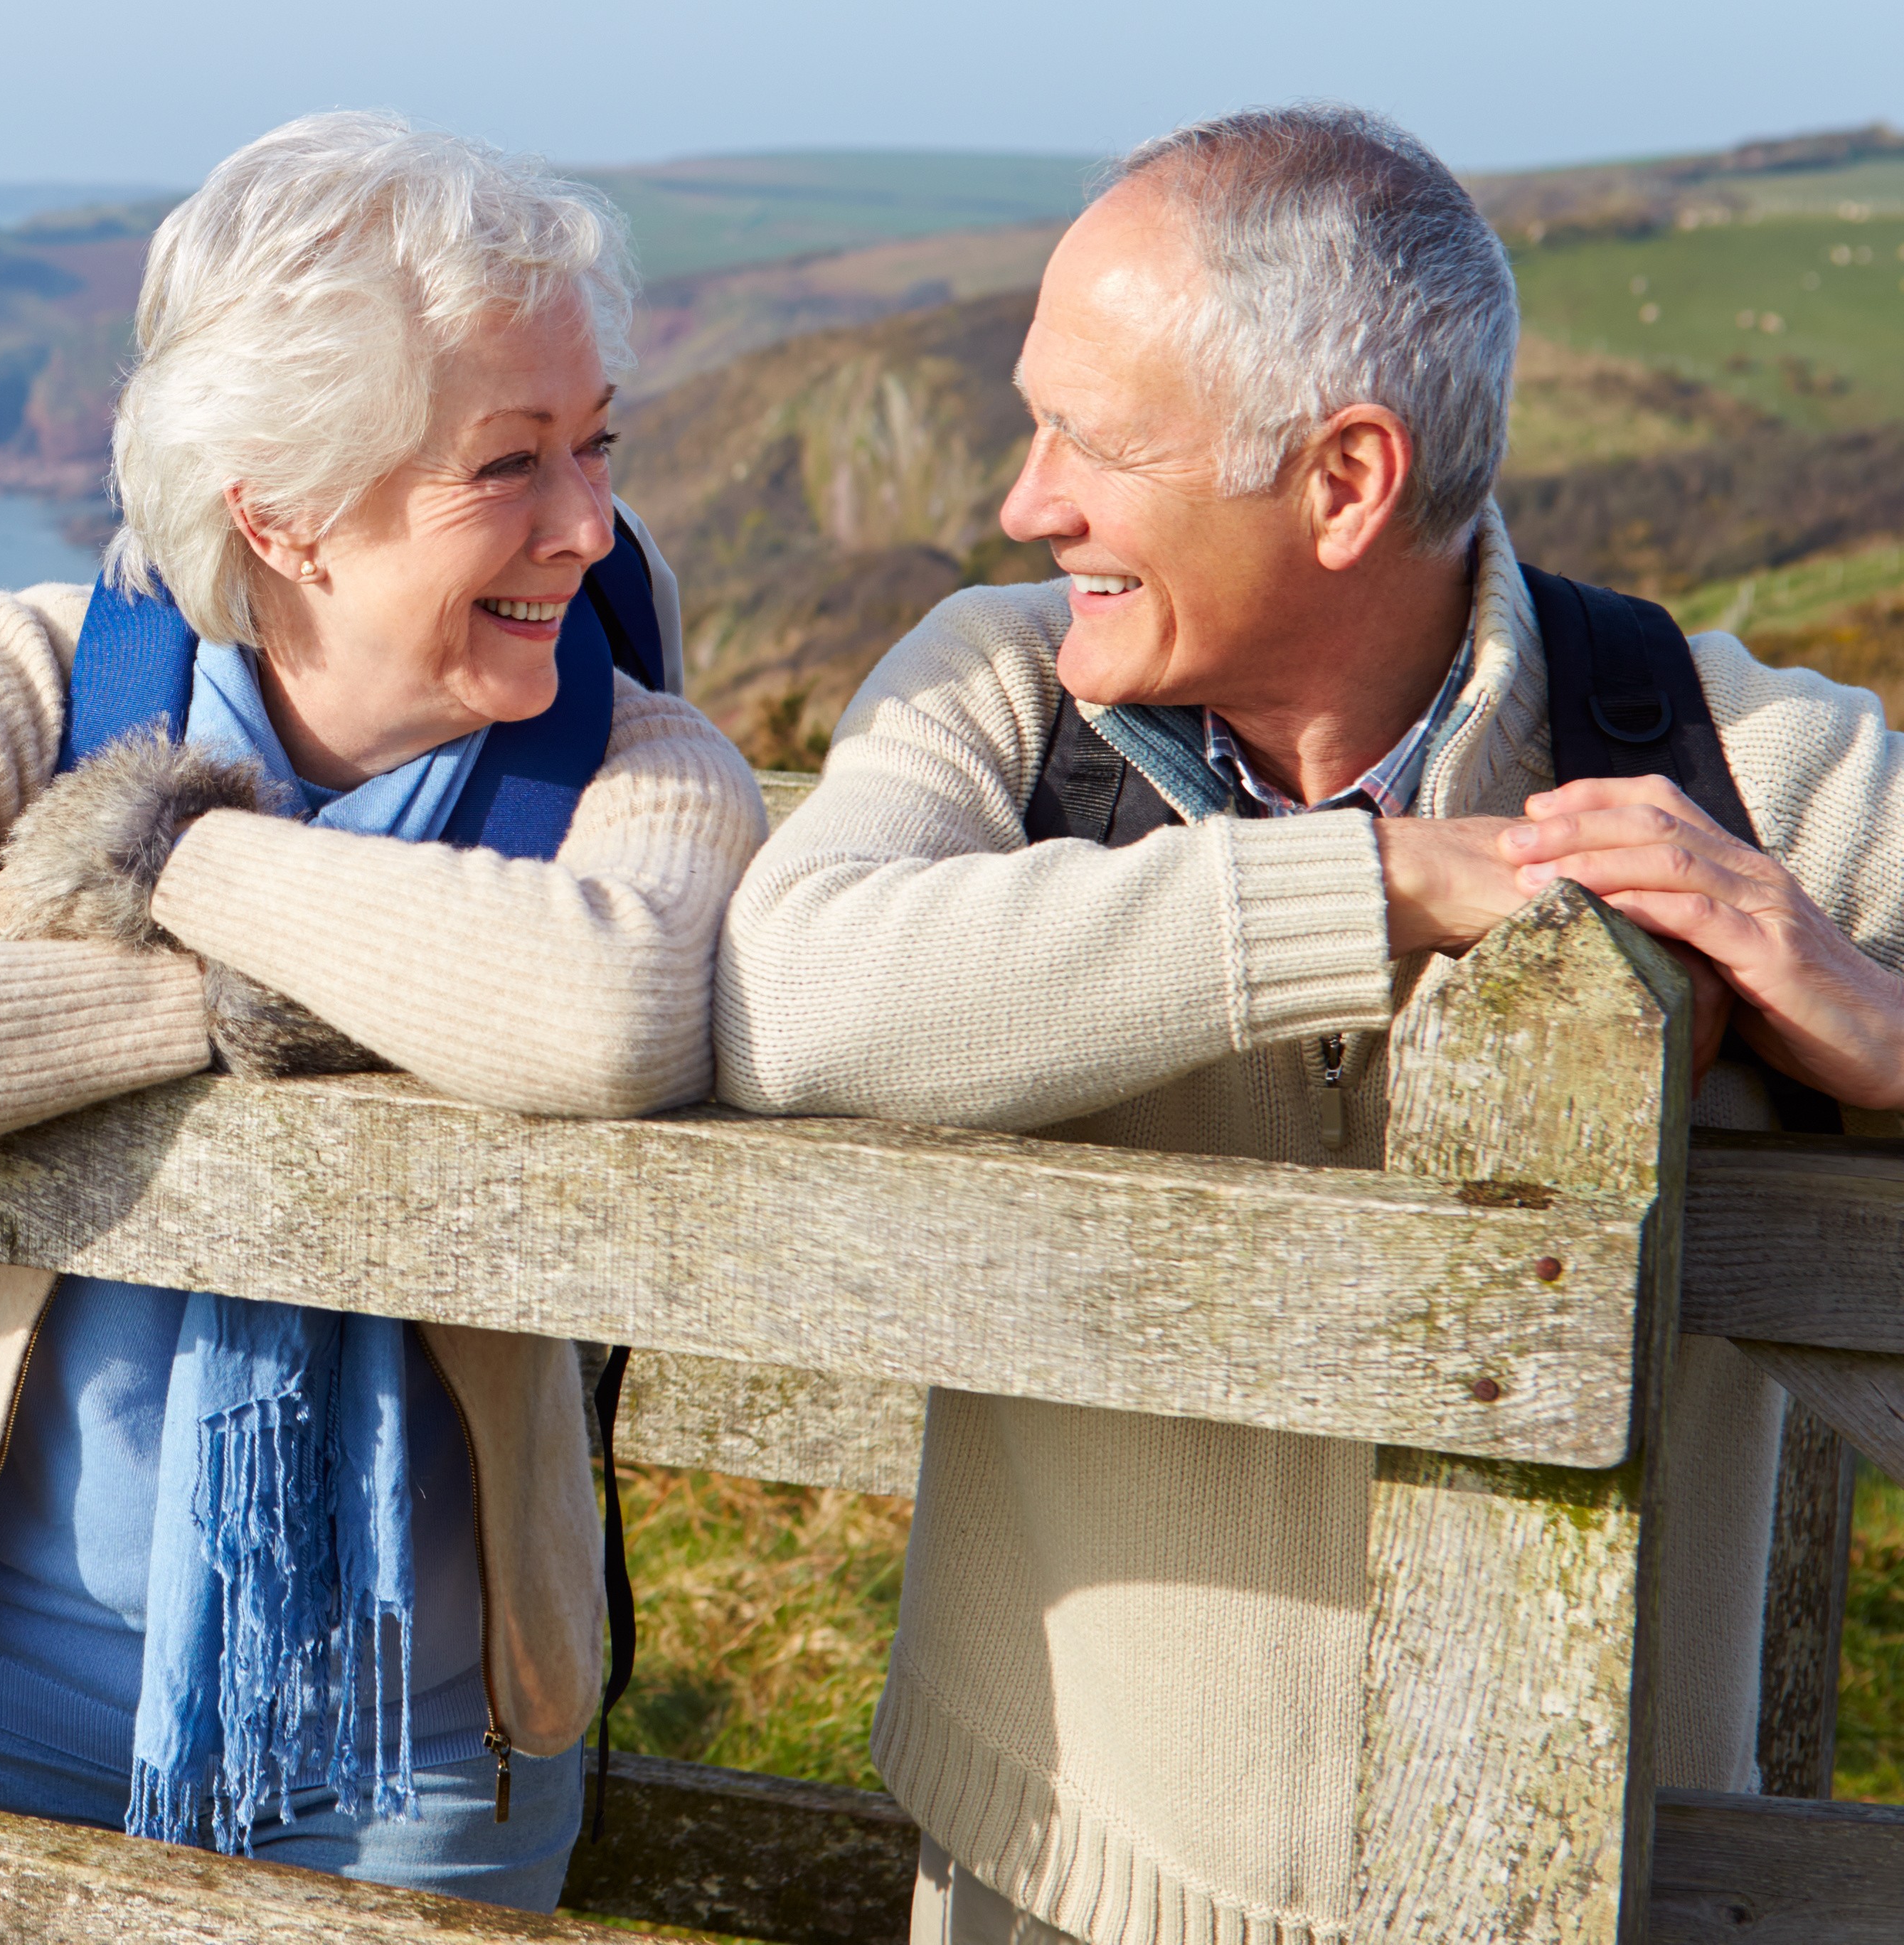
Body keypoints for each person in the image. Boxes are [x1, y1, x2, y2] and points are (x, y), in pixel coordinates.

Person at [713, 102, 1904, 1945]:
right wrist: (1374, 889)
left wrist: (1880, 1030)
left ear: (1345, 482)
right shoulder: (998, 691)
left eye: (1092, 442)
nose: (1030, 503)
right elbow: (788, 998)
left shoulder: (1732, 766)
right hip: (1058, 1877)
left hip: (1593, 1893)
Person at [0, 110, 767, 1908]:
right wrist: (232, 1010)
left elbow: (607, 1011)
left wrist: (157, 864)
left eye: (596, 446)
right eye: (511, 465)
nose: (591, 523)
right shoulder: (23, 674)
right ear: (283, 517)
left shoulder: (641, 756)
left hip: (427, 1752)